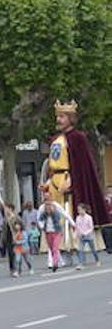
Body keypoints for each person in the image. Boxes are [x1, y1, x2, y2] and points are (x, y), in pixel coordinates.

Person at [42, 100, 111, 236]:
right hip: (54, 182)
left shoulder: (78, 138)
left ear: (70, 118)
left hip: (68, 180)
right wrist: (48, 180)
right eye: (58, 116)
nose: (58, 119)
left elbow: (81, 166)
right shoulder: (56, 139)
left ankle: (73, 240)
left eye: (62, 117)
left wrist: (72, 180)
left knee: (69, 211)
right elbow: (52, 161)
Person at [38, 199, 71, 271]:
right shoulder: (43, 214)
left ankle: (54, 264)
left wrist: (53, 212)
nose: (48, 208)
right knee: (51, 248)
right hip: (48, 232)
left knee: (55, 248)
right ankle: (59, 261)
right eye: (46, 206)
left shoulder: (56, 213)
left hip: (56, 232)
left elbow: (59, 218)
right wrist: (42, 226)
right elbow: (40, 220)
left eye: (49, 206)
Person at [74, 203, 100, 269]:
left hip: (89, 236)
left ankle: (97, 260)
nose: (79, 211)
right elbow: (77, 227)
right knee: (81, 250)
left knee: (93, 249)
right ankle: (80, 264)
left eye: (80, 210)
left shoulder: (89, 217)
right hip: (81, 237)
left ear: (84, 210)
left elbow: (91, 227)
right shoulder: (78, 218)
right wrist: (76, 234)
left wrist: (86, 233)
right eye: (78, 210)